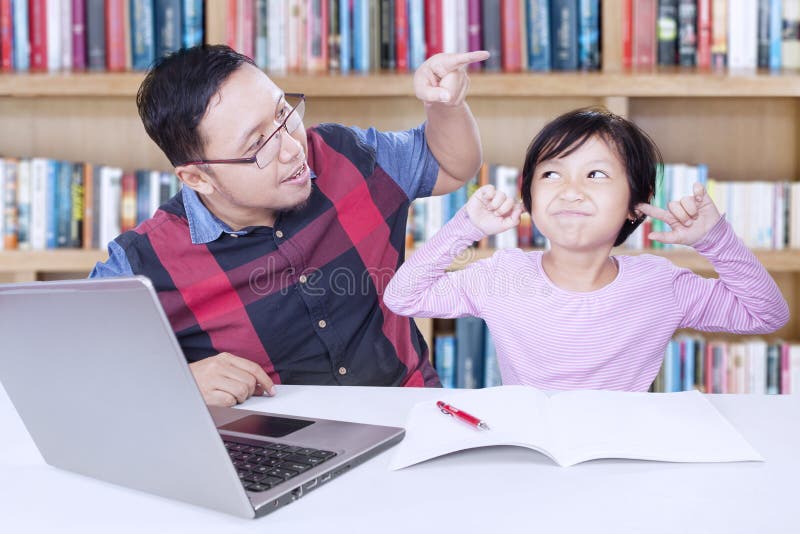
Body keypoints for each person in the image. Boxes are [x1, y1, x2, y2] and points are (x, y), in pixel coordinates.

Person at [90, 44, 490, 406]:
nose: (292, 148)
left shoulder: (346, 155)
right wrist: (178, 381)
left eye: (283, 113)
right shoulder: (141, 262)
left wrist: (446, 106)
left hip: (413, 414)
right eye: (257, 145)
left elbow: (452, 165)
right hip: (276, 449)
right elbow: (69, 367)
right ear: (197, 177)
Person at [383, 107, 790, 391]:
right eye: (551, 174)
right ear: (530, 196)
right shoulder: (502, 274)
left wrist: (714, 240)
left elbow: (766, 314)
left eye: (595, 174)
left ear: (636, 202)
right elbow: (403, 297)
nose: (570, 191)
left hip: (620, 457)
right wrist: (465, 227)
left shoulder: (660, 285)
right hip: (530, 454)